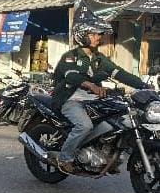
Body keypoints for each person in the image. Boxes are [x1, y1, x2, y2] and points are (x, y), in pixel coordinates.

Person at [49, 20, 145, 174]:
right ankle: (64, 158)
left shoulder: (99, 58)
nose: (98, 37)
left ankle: (106, 153)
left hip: (93, 100)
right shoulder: (71, 56)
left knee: (118, 120)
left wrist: (144, 86)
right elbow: (72, 76)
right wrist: (92, 86)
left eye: (99, 34)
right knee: (84, 126)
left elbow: (120, 73)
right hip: (70, 99)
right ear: (82, 36)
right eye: (93, 34)